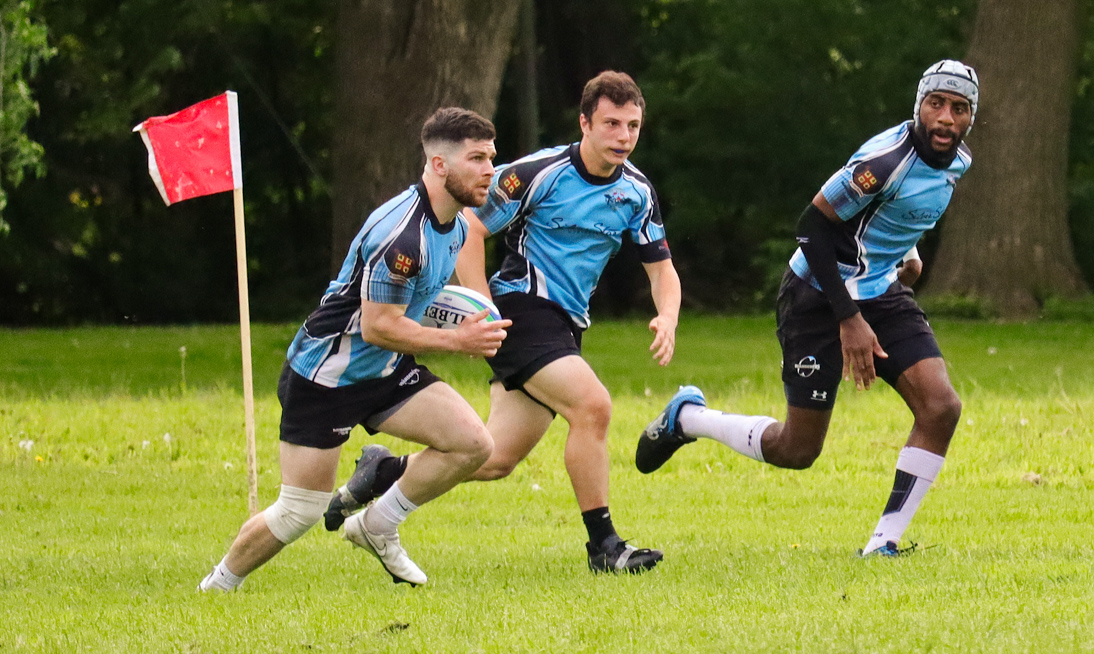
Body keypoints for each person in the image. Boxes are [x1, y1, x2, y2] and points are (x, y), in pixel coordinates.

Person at [325, 71, 679, 574]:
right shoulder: (537, 173)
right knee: (593, 406)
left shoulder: (636, 192)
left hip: (565, 325)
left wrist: (666, 315)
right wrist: (484, 308)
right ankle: (605, 546)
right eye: (612, 123)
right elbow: (470, 228)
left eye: (634, 126)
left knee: (491, 459)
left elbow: (662, 270)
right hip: (522, 311)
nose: (624, 136)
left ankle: (381, 475)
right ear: (585, 123)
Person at [635, 60, 978, 557]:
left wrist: (907, 254)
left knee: (941, 407)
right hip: (817, 295)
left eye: (959, 108)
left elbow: (894, 213)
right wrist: (848, 318)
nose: (946, 118)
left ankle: (883, 544)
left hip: (880, 290)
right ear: (919, 106)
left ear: (972, 117)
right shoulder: (881, 162)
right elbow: (812, 226)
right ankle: (689, 418)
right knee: (798, 450)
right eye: (936, 104)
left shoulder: (960, 161)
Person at [198, 108, 510, 590]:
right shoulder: (401, 237)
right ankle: (217, 588)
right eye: (477, 158)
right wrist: (457, 339)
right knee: (298, 512)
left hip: (384, 371)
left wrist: (466, 320)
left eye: (491, 156)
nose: (491, 169)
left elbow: (411, 307)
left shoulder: (459, 226)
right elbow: (379, 326)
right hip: (326, 377)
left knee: (473, 445)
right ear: (440, 165)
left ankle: (377, 525)